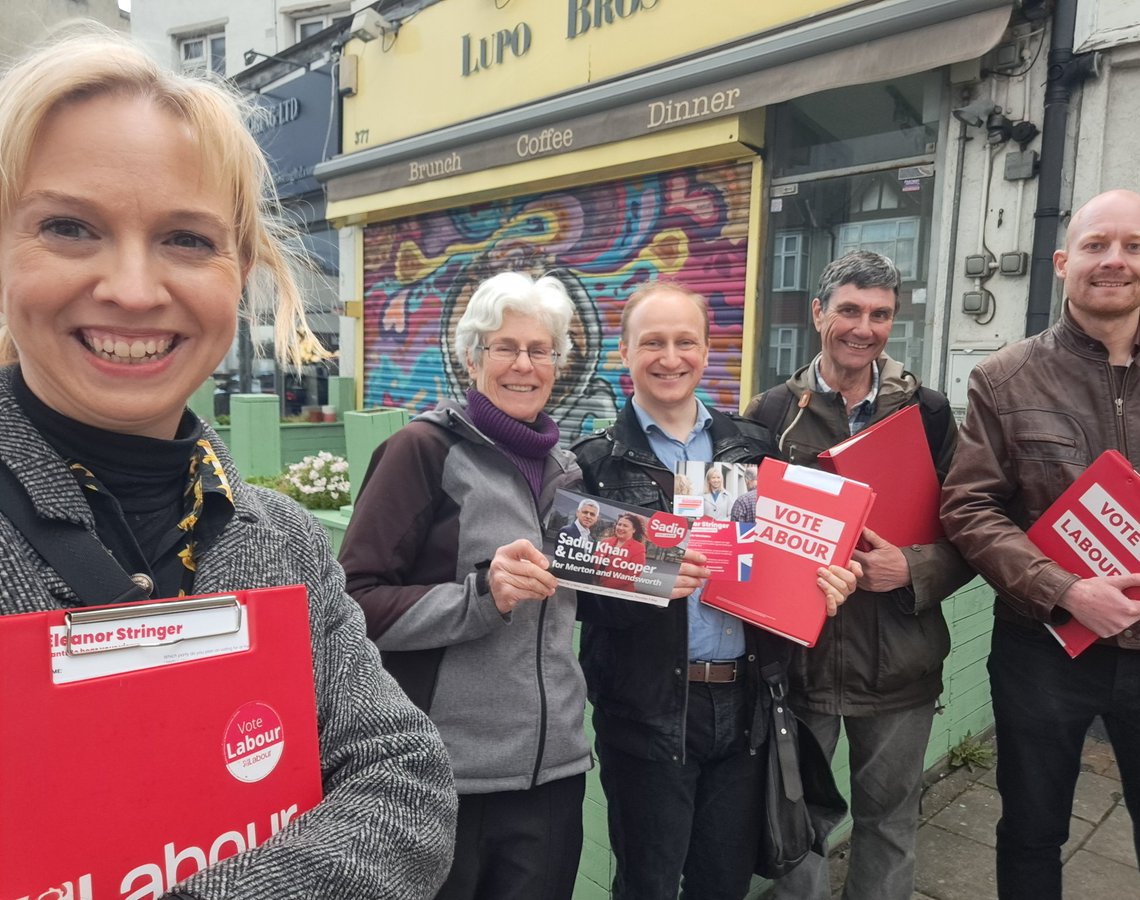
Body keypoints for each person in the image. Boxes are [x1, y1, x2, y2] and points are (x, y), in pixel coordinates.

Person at [0, 30, 455, 898]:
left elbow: (407, 786)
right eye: (69, 227)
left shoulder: (281, 540)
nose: (134, 289)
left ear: (241, 271)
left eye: (185, 239)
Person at [340, 272, 715, 900]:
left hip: (554, 772)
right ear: (471, 356)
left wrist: (659, 576)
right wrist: (482, 595)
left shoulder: (568, 472)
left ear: (558, 365)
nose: (524, 365)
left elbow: (581, 595)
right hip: (447, 771)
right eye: (504, 347)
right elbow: (352, 603)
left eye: (540, 350)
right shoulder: (422, 451)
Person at [940, 189, 1140, 900]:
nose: (1113, 260)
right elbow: (969, 508)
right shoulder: (1004, 377)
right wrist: (1066, 590)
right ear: (1063, 261)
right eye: (1095, 245)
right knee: (1030, 832)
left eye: (1133, 246)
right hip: (1045, 649)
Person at [572, 279, 860, 900]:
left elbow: (785, 563)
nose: (670, 357)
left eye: (685, 341)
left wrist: (822, 583)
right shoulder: (594, 464)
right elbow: (577, 599)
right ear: (624, 351)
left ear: (707, 352)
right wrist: (648, 577)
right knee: (647, 884)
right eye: (652, 342)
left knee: (723, 885)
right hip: (646, 711)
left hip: (747, 705)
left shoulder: (753, 449)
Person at [745, 250, 973, 900]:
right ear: (819, 313)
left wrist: (913, 566)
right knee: (797, 829)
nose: (863, 327)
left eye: (879, 314)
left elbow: (973, 533)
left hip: (900, 665)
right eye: (849, 309)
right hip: (799, 666)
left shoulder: (928, 416)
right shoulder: (767, 417)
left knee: (891, 828)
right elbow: (741, 535)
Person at [594, 512, 647, 592]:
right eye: (619, 524)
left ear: (634, 530)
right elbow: (593, 563)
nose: (620, 528)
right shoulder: (605, 542)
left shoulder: (638, 548)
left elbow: (631, 576)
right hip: (594, 587)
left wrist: (603, 586)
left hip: (619, 593)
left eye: (625, 526)